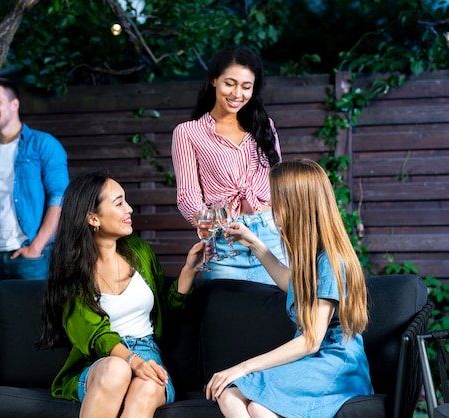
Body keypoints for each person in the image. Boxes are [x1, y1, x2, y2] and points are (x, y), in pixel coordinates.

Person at [205, 159, 372, 418]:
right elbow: (291, 284)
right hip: (314, 360)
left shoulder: (330, 260)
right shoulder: (312, 256)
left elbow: (311, 341)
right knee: (229, 394)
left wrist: (243, 367)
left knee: (258, 407)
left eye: (275, 199)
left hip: (336, 365)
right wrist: (254, 243)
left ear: (296, 204)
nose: (269, 205)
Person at [39, 171, 203, 417]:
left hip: (149, 356)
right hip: (100, 363)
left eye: (126, 201)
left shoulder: (140, 252)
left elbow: (166, 315)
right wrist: (131, 361)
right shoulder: (72, 271)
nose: (130, 209)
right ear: (93, 218)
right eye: (119, 203)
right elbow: (95, 336)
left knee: (148, 387)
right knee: (117, 369)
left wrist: (189, 269)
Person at [171, 45, 286, 284]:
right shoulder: (188, 133)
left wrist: (282, 220)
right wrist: (213, 226)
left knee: (278, 313)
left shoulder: (265, 127)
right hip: (225, 239)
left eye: (246, 87)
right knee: (229, 313)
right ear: (214, 80)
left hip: (271, 237)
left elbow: (279, 181)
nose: (237, 94)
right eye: (230, 83)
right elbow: (187, 196)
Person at [0, 77, 69, 308]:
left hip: (32, 256)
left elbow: (60, 197)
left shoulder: (43, 144)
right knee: (4, 330)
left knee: (37, 328)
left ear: (14, 104)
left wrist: (36, 247)